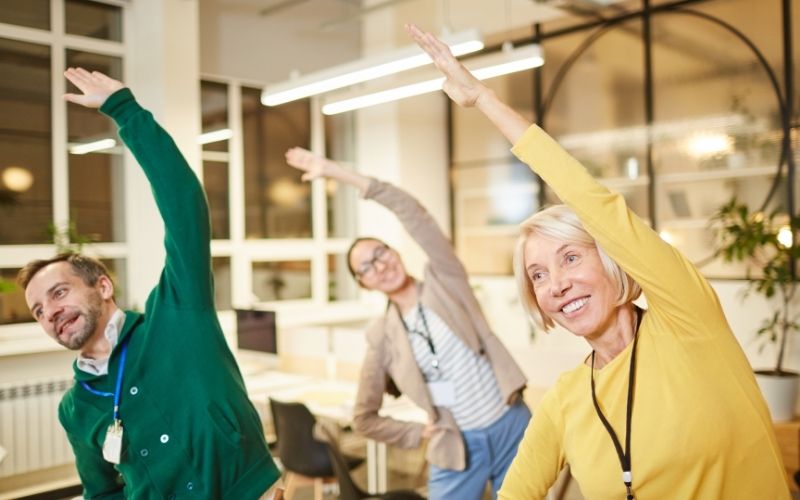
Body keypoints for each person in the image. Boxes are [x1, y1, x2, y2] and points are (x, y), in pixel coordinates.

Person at [407, 23, 790, 500]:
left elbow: (596, 203)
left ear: (612, 261)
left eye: (570, 257)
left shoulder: (689, 323)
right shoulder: (566, 399)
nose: (557, 284)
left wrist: (483, 99)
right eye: (538, 275)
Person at [18, 68, 282, 499]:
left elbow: (185, 208)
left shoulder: (178, 313)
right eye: (39, 311)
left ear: (103, 286)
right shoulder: (77, 407)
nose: (51, 313)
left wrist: (125, 110)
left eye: (59, 292)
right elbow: (100, 492)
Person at [284, 148, 530, 500]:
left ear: (395, 252)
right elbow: (364, 417)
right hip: (456, 446)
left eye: (380, 253)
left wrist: (338, 174)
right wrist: (418, 434)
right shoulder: (382, 337)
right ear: (363, 284)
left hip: (512, 426)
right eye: (366, 268)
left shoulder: (446, 280)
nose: (379, 267)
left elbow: (412, 212)